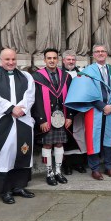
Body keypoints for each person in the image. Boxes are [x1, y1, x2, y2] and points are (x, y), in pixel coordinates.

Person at [0, 48, 36, 204]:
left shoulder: (26, 76)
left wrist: (22, 109)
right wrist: (11, 108)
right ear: (0, 60)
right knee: (5, 154)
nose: (11, 62)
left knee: (22, 152)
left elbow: (30, 96)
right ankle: (5, 191)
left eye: (13, 59)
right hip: (2, 121)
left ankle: (19, 186)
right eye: (7, 59)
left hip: (22, 120)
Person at [65, 44, 111, 181]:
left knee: (109, 138)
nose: (100, 53)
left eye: (103, 51)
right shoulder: (87, 71)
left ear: (106, 54)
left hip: (110, 110)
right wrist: (102, 105)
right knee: (93, 138)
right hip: (94, 109)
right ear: (93, 55)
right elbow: (86, 92)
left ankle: (108, 166)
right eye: (97, 52)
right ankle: (94, 168)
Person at [32, 49, 75, 186]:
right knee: (47, 144)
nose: (51, 60)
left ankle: (58, 172)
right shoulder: (36, 77)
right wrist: (41, 119)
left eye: (54, 58)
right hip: (46, 117)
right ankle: (49, 173)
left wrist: (69, 116)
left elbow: (70, 97)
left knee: (59, 143)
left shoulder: (66, 77)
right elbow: (35, 100)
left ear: (58, 60)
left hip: (61, 117)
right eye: (49, 58)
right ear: (44, 60)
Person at [60, 50, 87, 175]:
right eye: (68, 59)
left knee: (80, 136)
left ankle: (80, 163)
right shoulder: (59, 74)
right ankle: (67, 165)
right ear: (63, 60)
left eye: (73, 59)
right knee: (67, 137)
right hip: (64, 110)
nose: (71, 62)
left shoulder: (81, 74)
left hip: (79, 111)